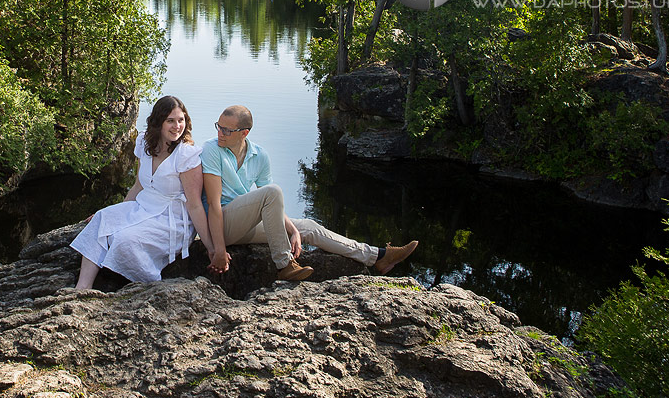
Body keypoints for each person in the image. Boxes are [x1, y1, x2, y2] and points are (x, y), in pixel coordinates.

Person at [202, 104, 418, 281]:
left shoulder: (260, 156)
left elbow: (270, 204)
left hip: (243, 222)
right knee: (273, 191)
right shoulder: (212, 150)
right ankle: (285, 264)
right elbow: (213, 204)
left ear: (244, 133)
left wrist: (293, 230)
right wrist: (219, 250)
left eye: (227, 130)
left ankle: (377, 256)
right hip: (219, 224)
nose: (220, 133)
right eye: (219, 127)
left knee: (308, 227)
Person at [71, 96, 215, 288]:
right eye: (170, 121)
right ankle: (82, 288)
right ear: (158, 122)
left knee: (124, 241)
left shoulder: (186, 155)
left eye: (181, 120)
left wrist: (211, 247)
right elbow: (138, 186)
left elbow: (195, 204)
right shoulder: (144, 142)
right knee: (100, 219)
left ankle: (150, 280)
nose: (177, 126)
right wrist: (114, 214)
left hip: (171, 220)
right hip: (142, 208)